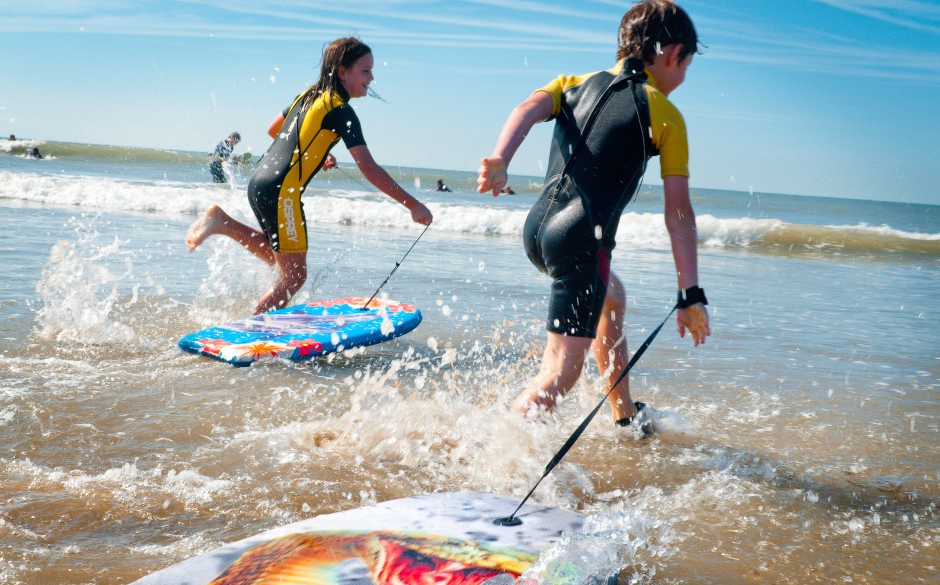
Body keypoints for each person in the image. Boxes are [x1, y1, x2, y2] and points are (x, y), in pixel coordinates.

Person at [477, 0, 710, 433]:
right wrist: (690, 292)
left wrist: (501, 157)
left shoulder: (573, 82)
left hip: (539, 229)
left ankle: (624, 414)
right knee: (560, 374)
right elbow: (678, 213)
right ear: (671, 52)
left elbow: (526, 109)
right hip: (583, 243)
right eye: (686, 66)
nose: (682, 78)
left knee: (612, 297)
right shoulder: (665, 114)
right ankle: (488, 450)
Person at [186, 37, 432, 315]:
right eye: (365, 70)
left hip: (260, 184)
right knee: (294, 277)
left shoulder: (308, 96)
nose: (371, 77)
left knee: (281, 261)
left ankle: (223, 223)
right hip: (283, 193)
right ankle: (254, 337)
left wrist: (317, 152)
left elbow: (273, 129)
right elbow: (369, 167)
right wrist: (413, 204)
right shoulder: (341, 110)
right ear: (343, 72)